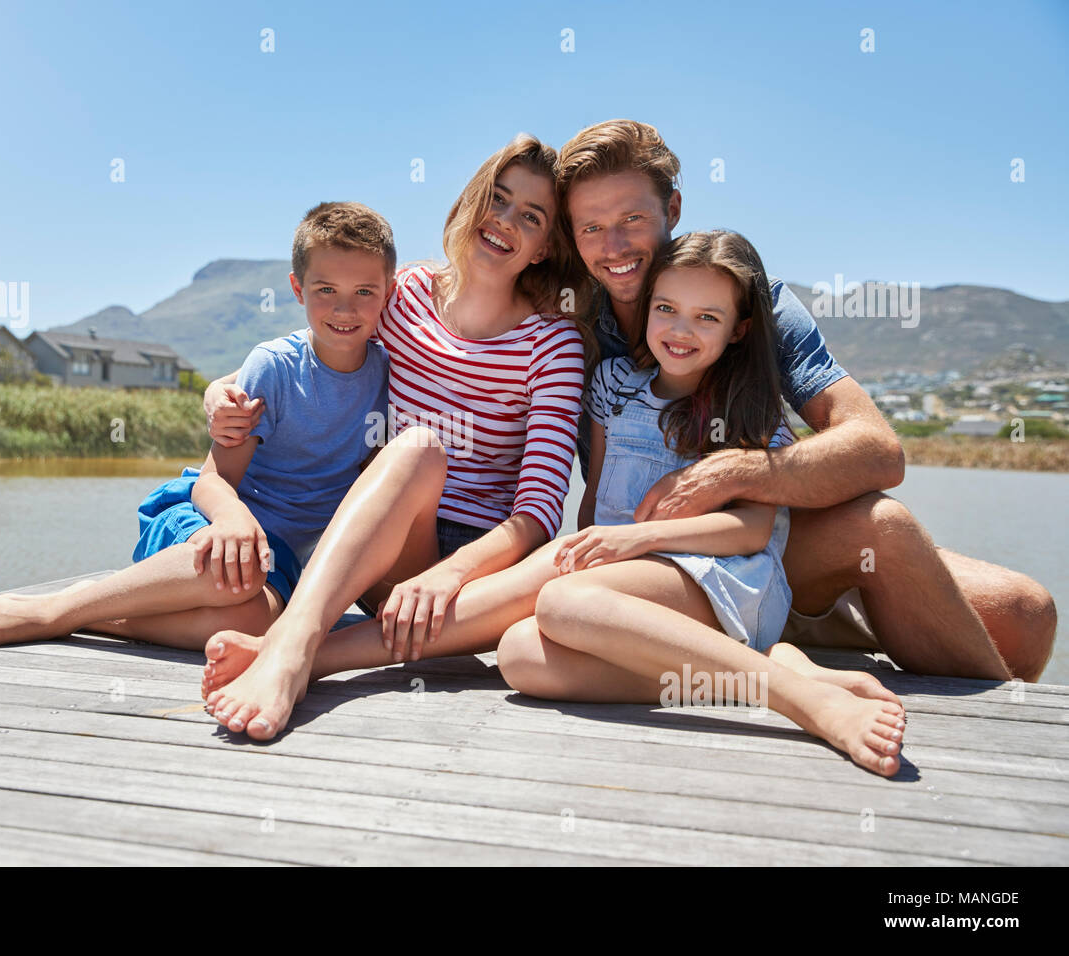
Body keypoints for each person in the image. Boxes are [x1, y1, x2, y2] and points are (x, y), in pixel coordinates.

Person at [551, 120, 1054, 682]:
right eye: (591, 227)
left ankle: (1003, 748)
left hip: (760, 545)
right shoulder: (564, 315)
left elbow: (878, 450)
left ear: (672, 211)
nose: (614, 246)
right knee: (883, 531)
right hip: (643, 560)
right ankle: (787, 656)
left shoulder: (752, 300)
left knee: (1025, 614)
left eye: (633, 219)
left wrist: (734, 472)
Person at [200, 133, 591, 739]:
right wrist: (221, 387)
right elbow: (327, 338)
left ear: (544, 247)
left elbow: (539, 510)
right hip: (384, 538)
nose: (506, 220)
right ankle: (298, 639)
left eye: (531, 216)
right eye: (499, 197)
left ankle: (293, 652)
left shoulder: (552, 345)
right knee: (416, 448)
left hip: (473, 574)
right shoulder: (406, 295)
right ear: (471, 202)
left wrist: (451, 572)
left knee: (558, 575)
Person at [499, 230, 905, 777]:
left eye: (707, 318)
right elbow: (595, 499)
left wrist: (643, 537)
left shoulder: (749, 415)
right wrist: (607, 547)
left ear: (738, 330)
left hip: (725, 581)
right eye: (666, 308)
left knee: (561, 603)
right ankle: (764, 672)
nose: (681, 330)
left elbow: (750, 532)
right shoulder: (617, 387)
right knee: (522, 656)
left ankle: (803, 702)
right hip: (647, 586)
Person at [0, 201, 394, 652]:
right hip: (207, 520)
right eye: (326, 290)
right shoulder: (273, 367)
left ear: (388, 291)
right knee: (238, 576)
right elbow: (213, 480)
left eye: (364, 292)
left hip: (278, 562)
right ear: (297, 289)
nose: (344, 309)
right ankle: (52, 610)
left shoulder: (391, 373)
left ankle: (101, 620)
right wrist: (232, 517)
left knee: (254, 623)